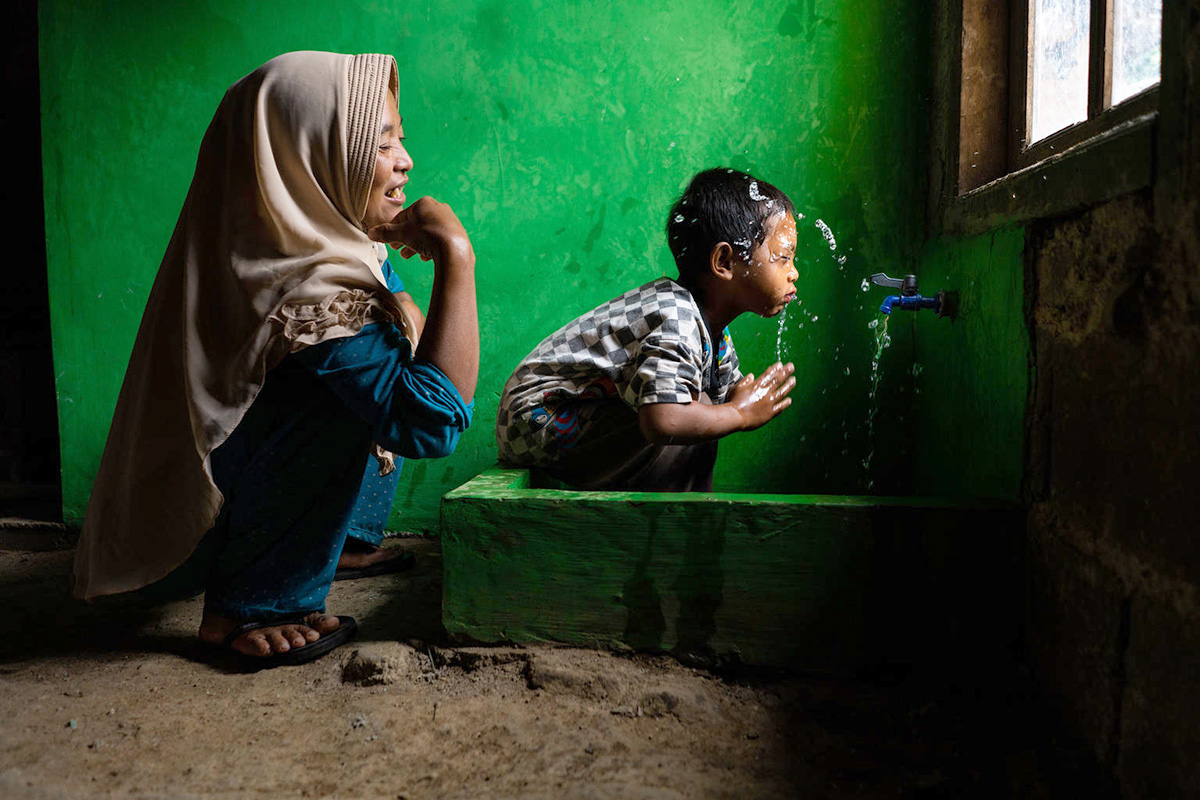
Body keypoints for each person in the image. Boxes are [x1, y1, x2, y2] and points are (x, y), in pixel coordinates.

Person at [72, 51, 478, 665]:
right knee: (364, 390)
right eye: (382, 143)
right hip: (200, 529)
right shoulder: (306, 286)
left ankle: (339, 543)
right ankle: (250, 605)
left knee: (377, 362)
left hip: (228, 488)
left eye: (402, 139)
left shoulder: (304, 235)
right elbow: (432, 421)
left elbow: (408, 330)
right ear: (310, 153)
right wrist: (456, 253)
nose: (406, 162)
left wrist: (404, 315)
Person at [495, 168, 796, 491]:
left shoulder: (712, 331)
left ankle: (695, 517)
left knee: (704, 411)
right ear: (724, 261)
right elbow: (663, 419)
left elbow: (723, 397)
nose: (793, 272)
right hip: (538, 417)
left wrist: (745, 400)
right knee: (694, 412)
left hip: (581, 416)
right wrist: (739, 413)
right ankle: (665, 525)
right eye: (783, 258)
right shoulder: (676, 317)